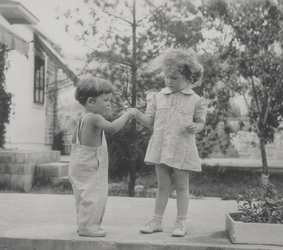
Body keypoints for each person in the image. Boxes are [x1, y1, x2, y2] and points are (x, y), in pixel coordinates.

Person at [132, 48, 208, 237]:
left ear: (188, 77)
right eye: (167, 77)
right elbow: (150, 121)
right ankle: (157, 221)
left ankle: (180, 222)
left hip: (182, 147)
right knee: (163, 185)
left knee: (182, 186)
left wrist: (196, 127)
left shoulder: (195, 100)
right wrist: (136, 114)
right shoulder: (157, 97)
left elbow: (200, 122)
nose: (169, 81)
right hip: (161, 146)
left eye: (174, 78)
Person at [69, 76, 136, 237]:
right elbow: (112, 128)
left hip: (79, 162)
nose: (109, 104)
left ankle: (84, 224)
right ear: (91, 101)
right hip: (92, 164)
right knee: (95, 195)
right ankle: (89, 227)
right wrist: (127, 115)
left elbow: (73, 140)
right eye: (106, 100)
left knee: (84, 195)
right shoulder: (94, 117)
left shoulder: (83, 118)